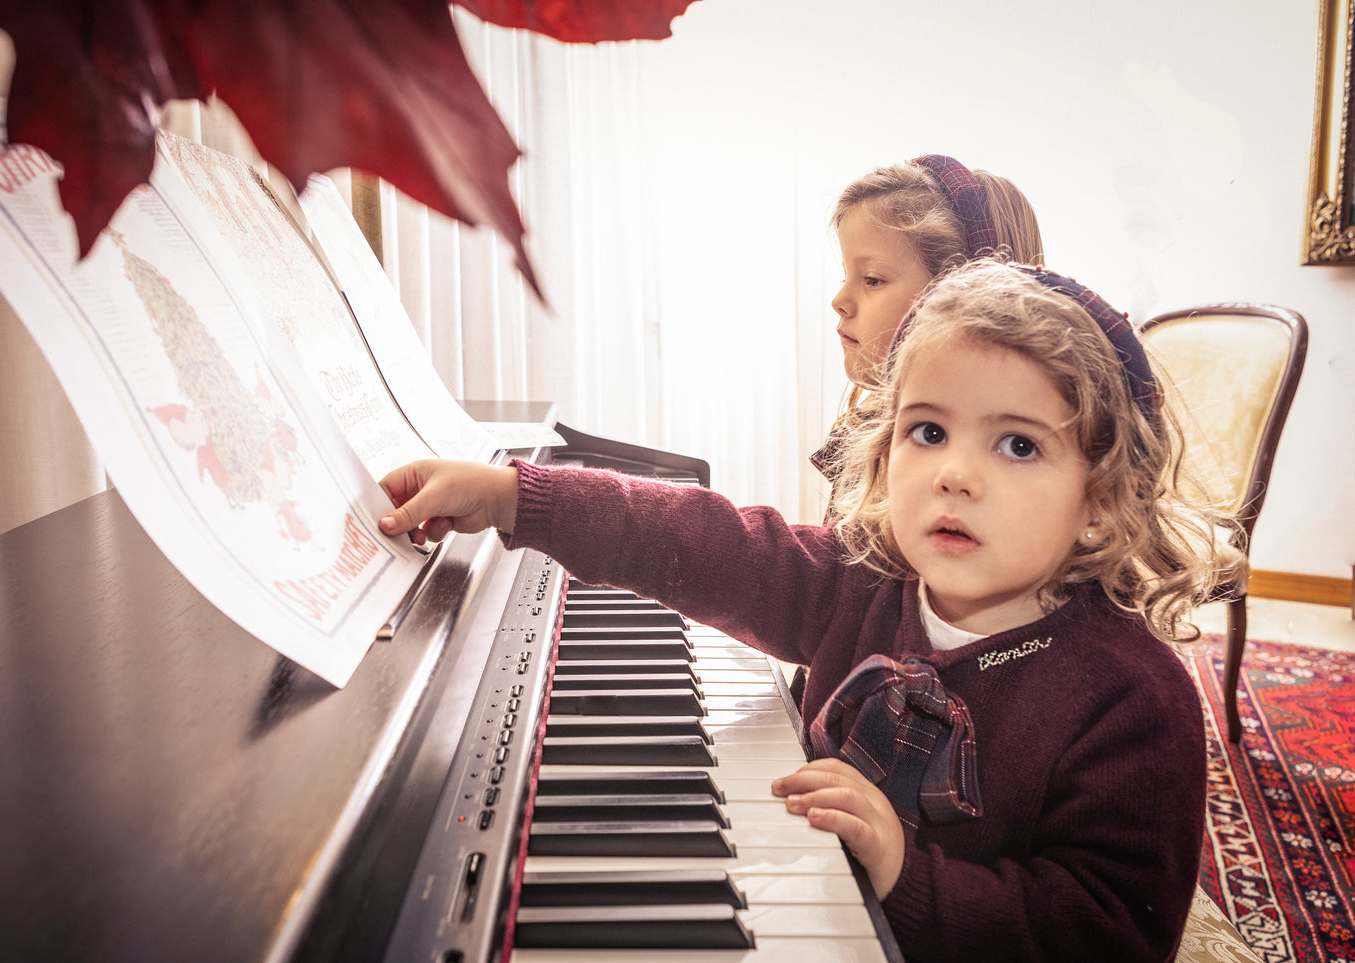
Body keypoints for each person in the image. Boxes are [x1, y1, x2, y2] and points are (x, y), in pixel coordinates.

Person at [376, 259, 1241, 962]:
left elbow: (1107, 932)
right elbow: (703, 544)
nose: (954, 473)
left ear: (1102, 498)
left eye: (1017, 444)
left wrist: (909, 874)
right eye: (927, 430)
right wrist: (515, 499)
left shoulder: (1133, 701)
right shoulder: (860, 580)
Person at [815, 155, 1044, 505]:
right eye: (845, 277)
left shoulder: (954, 465)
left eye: (872, 280)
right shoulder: (870, 430)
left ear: (954, 298)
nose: (840, 300)